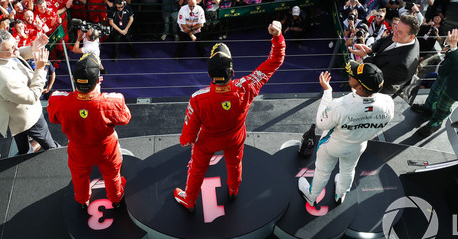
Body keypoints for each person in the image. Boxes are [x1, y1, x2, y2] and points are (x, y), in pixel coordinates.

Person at [173, 21, 286, 212]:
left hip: (207, 142)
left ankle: (189, 199)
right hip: (235, 138)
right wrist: (277, 37)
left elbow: (188, 137)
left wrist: (185, 140)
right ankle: (234, 189)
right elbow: (275, 61)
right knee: (235, 163)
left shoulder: (197, 99)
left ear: (209, 74)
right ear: (232, 72)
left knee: (197, 167)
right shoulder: (247, 85)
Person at [298, 63, 392, 208]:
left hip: (333, 145)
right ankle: (340, 195)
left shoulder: (340, 105)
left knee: (322, 171)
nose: (350, 74)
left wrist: (327, 91)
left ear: (360, 87)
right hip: (359, 145)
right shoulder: (388, 103)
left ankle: (311, 196)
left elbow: (321, 124)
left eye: (353, 75)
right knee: (348, 170)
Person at [48, 53, 131, 210]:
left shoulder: (58, 101)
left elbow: (54, 118)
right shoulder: (114, 102)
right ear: (99, 80)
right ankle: (116, 198)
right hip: (106, 150)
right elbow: (126, 118)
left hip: (78, 150)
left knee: (79, 176)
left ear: (73, 79)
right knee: (112, 175)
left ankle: (82, 201)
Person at [0, 29, 59, 155]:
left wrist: (32, 49)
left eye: (16, 44)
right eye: (12, 48)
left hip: (9, 115)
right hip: (27, 116)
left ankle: (25, 153)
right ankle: (55, 153)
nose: (16, 49)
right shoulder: (4, 80)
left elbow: (15, 54)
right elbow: (32, 97)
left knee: (22, 146)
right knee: (48, 142)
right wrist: (40, 69)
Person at [348, 13, 420, 97]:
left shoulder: (403, 65)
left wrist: (365, 57)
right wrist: (370, 49)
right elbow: (383, 40)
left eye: (399, 32)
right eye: (396, 27)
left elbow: (377, 75)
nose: (394, 32)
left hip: (381, 89)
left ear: (411, 37)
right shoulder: (402, 35)